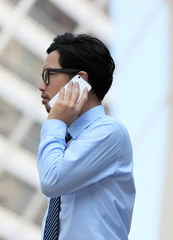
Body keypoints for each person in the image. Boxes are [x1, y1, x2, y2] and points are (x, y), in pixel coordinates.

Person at [37, 33, 135, 240]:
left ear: (79, 80)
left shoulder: (109, 132)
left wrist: (55, 122)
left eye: (49, 75)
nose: (42, 86)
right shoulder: (65, 140)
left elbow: (52, 181)